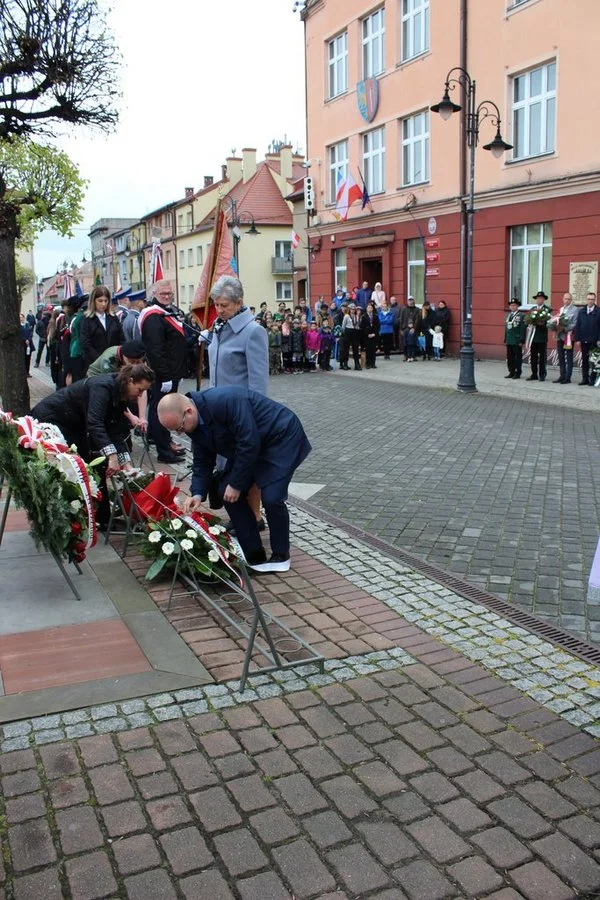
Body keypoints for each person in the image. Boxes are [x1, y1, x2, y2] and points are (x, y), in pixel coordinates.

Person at [158, 388, 312, 573]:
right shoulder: (192, 422)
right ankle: (253, 552)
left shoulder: (225, 401)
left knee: (272, 497)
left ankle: (281, 555)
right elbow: (202, 460)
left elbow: (249, 442)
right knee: (225, 492)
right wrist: (197, 494)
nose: (181, 433)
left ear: (188, 411)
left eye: (180, 428)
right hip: (249, 446)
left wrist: (237, 484)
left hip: (279, 438)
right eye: (175, 431)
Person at [31, 364, 154, 527]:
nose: (140, 395)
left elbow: (115, 429)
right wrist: (112, 456)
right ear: (130, 380)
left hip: (74, 423)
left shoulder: (120, 391)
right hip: (54, 419)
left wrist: (126, 464)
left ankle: (101, 518)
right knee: (77, 465)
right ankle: (74, 517)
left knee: (95, 462)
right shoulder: (102, 387)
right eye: (139, 389)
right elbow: (95, 423)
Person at [204, 275, 269, 527]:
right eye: (216, 305)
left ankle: (254, 517)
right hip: (218, 411)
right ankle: (240, 516)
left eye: (225, 305)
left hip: (242, 412)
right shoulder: (219, 328)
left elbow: (258, 382)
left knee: (247, 466)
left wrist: (254, 416)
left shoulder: (253, 332)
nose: (219, 310)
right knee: (228, 464)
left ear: (239, 303)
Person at [138, 279, 188, 463]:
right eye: (163, 293)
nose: (167, 296)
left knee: (163, 409)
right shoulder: (153, 316)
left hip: (172, 371)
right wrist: (165, 376)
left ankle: (165, 442)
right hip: (163, 374)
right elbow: (155, 350)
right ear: (154, 295)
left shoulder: (167, 312)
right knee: (161, 411)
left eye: (169, 293)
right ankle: (163, 451)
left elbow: (174, 342)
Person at [80, 286, 124, 370]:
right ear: (93, 301)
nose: (103, 304)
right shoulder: (87, 320)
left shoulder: (113, 318)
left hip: (114, 362)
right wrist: (101, 360)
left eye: (105, 301)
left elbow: (121, 339)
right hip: (95, 364)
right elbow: (86, 343)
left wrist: (117, 356)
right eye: (100, 301)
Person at [574, 291, 600, 386]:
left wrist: (599, 339)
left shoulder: (598, 311)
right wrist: (577, 339)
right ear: (586, 299)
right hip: (583, 340)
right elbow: (578, 325)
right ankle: (585, 379)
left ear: (595, 300)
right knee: (585, 360)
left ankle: (593, 379)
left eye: (592, 299)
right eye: (588, 299)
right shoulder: (582, 311)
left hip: (594, 341)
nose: (590, 301)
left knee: (594, 360)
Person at [552, 292, 579, 384]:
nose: (567, 301)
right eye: (565, 299)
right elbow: (556, 321)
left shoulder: (575, 310)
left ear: (571, 300)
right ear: (563, 299)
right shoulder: (561, 309)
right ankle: (562, 375)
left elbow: (574, 323)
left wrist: (564, 328)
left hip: (568, 337)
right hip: (560, 336)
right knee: (561, 356)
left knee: (569, 356)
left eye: (569, 299)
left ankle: (568, 377)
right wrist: (555, 328)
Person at [526, 290, 551, 382]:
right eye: (538, 298)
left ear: (544, 300)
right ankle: (534, 374)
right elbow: (528, 320)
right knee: (533, 356)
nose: (539, 300)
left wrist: (542, 322)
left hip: (542, 336)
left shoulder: (547, 309)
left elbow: (549, 322)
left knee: (542, 357)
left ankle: (542, 374)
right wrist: (529, 321)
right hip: (533, 337)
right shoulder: (533, 309)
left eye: (541, 298)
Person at [504, 298, 526, 379]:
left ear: (517, 306)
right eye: (511, 305)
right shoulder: (509, 315)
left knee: (517, 358)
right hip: (509, 340)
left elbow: (522, 329)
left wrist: (521, 340)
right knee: (510, 357)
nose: (512, 307)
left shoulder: (521, 315)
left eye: (514, 305)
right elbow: (506, 328)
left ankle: (517, 372)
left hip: (517, 340)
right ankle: (511, 371)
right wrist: (505, 338)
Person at [339, 303, 362, 370]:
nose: (353, 310)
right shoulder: (346, 316)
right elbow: (343, 325)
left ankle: (357, 364)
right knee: (346, 349)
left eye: (354, 309)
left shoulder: (357, 316)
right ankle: (345, 364)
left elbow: (358, 325)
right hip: (348, 332)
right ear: (349, 309)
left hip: (355, 332)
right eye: (351, 309)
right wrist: (343, 333)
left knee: (356, 348)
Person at [360, 301, 380, 369]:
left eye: (370, 308)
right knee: (368, 350)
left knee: (373, 350)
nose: (369, 309)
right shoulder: (363, 316)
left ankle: (373, 363)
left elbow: (378, 326)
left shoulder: (375, 316)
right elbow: (362, 327)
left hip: (374, 335)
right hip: (367, 336)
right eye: (368, 308)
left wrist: (374, 333)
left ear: (372, 309)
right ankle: (368, 363)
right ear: (366, 309)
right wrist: (367, 334)